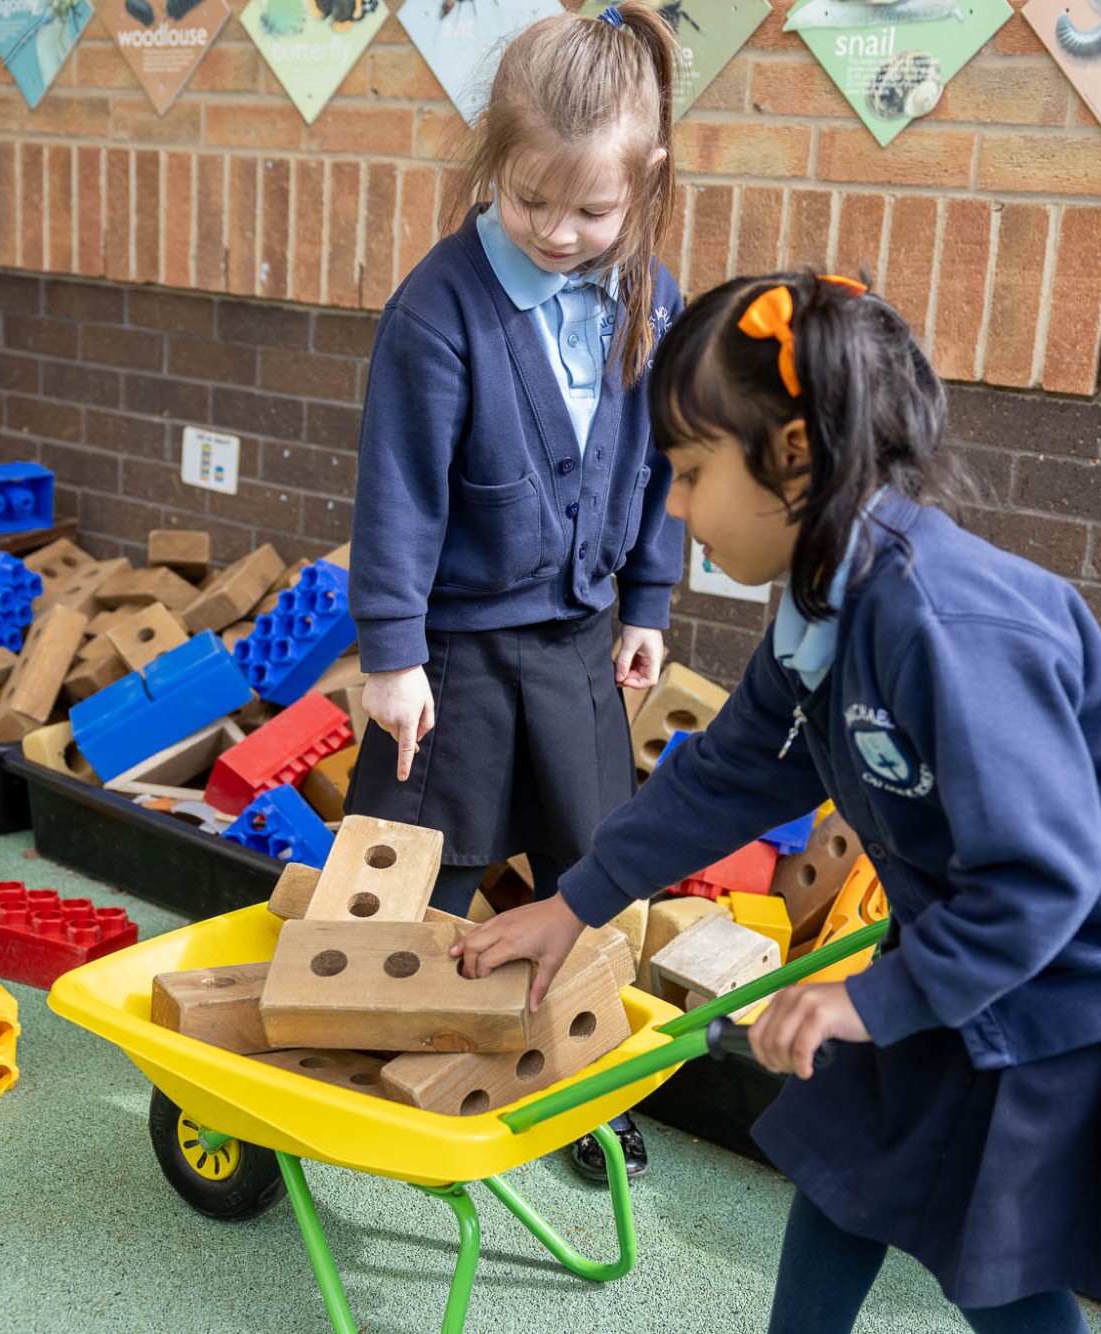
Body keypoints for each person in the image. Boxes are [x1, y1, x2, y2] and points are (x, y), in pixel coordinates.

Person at [451, 271, 1101, 1332]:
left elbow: (1046, 875)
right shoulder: (822, 602)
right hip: (986, 923)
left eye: (688, 472)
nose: (673, 507)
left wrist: (872, 1001)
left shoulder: (938, 624)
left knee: (993, 1238)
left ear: (792, 456)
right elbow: (734, 769)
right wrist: (575, 901)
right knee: (852, 1157)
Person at [345, 1, 684, 1183]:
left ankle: (578, 1079)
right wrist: (392, 656)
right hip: (453, 657)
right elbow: (397, 491)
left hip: (579, 645)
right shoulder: (436, 311)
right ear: (492, 160)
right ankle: (373, 1052)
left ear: (645, 185)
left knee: (585, 867)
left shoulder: (649, 296)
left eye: (591, 211)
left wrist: (648, 603)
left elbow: (660, 466)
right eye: (531, 200)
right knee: (420, 858)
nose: (556, 231)